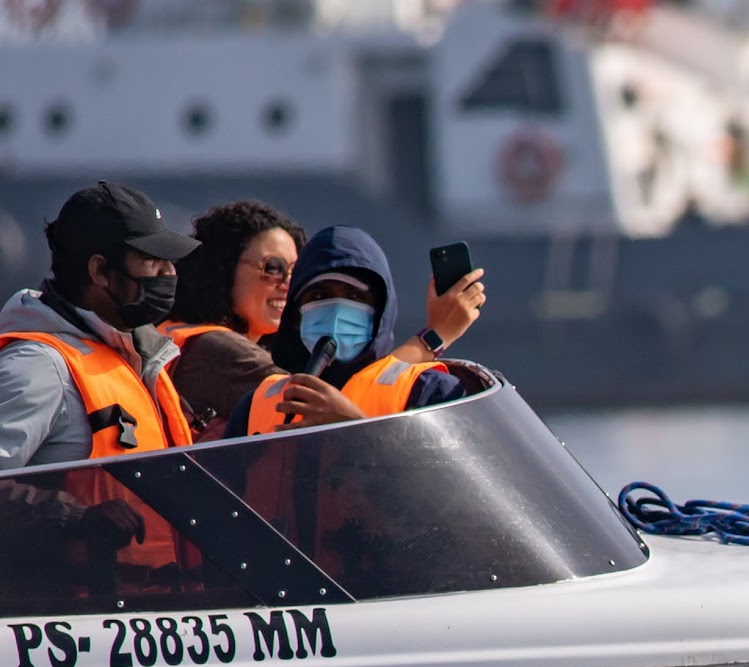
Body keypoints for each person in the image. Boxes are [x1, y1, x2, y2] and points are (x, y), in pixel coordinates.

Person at [0, 181, 199, 470]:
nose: (169, 272)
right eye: (152, 260)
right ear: (100, 270)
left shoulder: (134, 351)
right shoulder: (38, 367)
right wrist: (70, 513)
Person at [225, 225, 478, 437]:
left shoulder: (430, 392)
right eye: (319, 295)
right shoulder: (254, 407)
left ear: (381, 313)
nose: (336, 309)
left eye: (355, 295)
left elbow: (452, 491)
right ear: (295, 316)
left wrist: (352, 427)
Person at [160, 200, 305, 432]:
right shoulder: (218, 351)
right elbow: (317, 406)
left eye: (295, 271)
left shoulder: (176, 335)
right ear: (223, 269)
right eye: (273, 268)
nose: (288, 283)